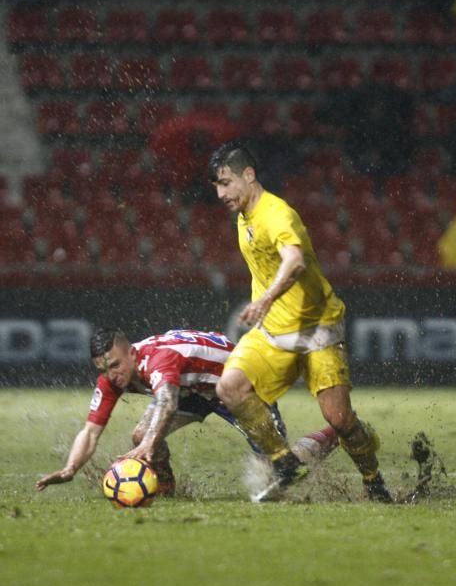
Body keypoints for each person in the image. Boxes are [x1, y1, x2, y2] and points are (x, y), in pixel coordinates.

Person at [208, 139, 392, 502]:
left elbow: (294, 261)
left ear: (250, 175)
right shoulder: (244, 216)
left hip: (317, 328)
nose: (220, 193)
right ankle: (285, 462)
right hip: (274, 331)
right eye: (216, 185)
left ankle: (374, 482)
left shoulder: (277, 214)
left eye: (226, 182)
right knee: (229, 388)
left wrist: (264, 299)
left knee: (340, 420)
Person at [36, 327, 337, 496]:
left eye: (115, 365)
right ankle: (165, 486)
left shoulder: (157, 360)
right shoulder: (112, 379)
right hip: (192, 389)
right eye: (104, 369)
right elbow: (90, 431)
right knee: (141, 433)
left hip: (238, 383)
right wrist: (70, 468)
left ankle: (334, 433)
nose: (112, 375)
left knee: (279, 470)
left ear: (131, 353)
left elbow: (166, 403)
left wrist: (146, 447)